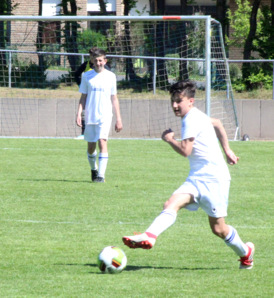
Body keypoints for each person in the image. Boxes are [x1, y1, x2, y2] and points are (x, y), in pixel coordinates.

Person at [122, 80, 254, 269]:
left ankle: (246, 253)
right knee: (171, 203)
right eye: (173, 101)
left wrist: (169, 139)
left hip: (215, 179)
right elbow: (217, 124)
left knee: (219, 229)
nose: (175, 105)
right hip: (197, 178)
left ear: (190, 101)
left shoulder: (191, 119)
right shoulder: (196, 115)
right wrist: (227, 150)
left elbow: (185, 150)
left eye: (179, 101)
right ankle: (149, 235)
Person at [76, 47, 122, 183]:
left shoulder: (111, 76)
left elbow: (114, 98)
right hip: (90, 115)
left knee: (102, 141)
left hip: (105, 115)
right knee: (91, 147)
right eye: (96, 60)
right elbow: (83, 97)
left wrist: (118, 118)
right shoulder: (86, 76)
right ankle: (94, 170)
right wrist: (79, 114)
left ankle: (101, 176)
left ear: (105, 60)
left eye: (101, 60)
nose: (98, 63)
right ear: (92, 61)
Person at [73, 47, 111, 139]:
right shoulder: (86, 65)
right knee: (85, 112)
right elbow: (76, 74)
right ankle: (83, 133)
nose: (92, 57)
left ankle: (100, 133)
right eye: (91, 56)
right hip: (89, 92)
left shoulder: (103, 67)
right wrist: (81, 85)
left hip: (99, 93)